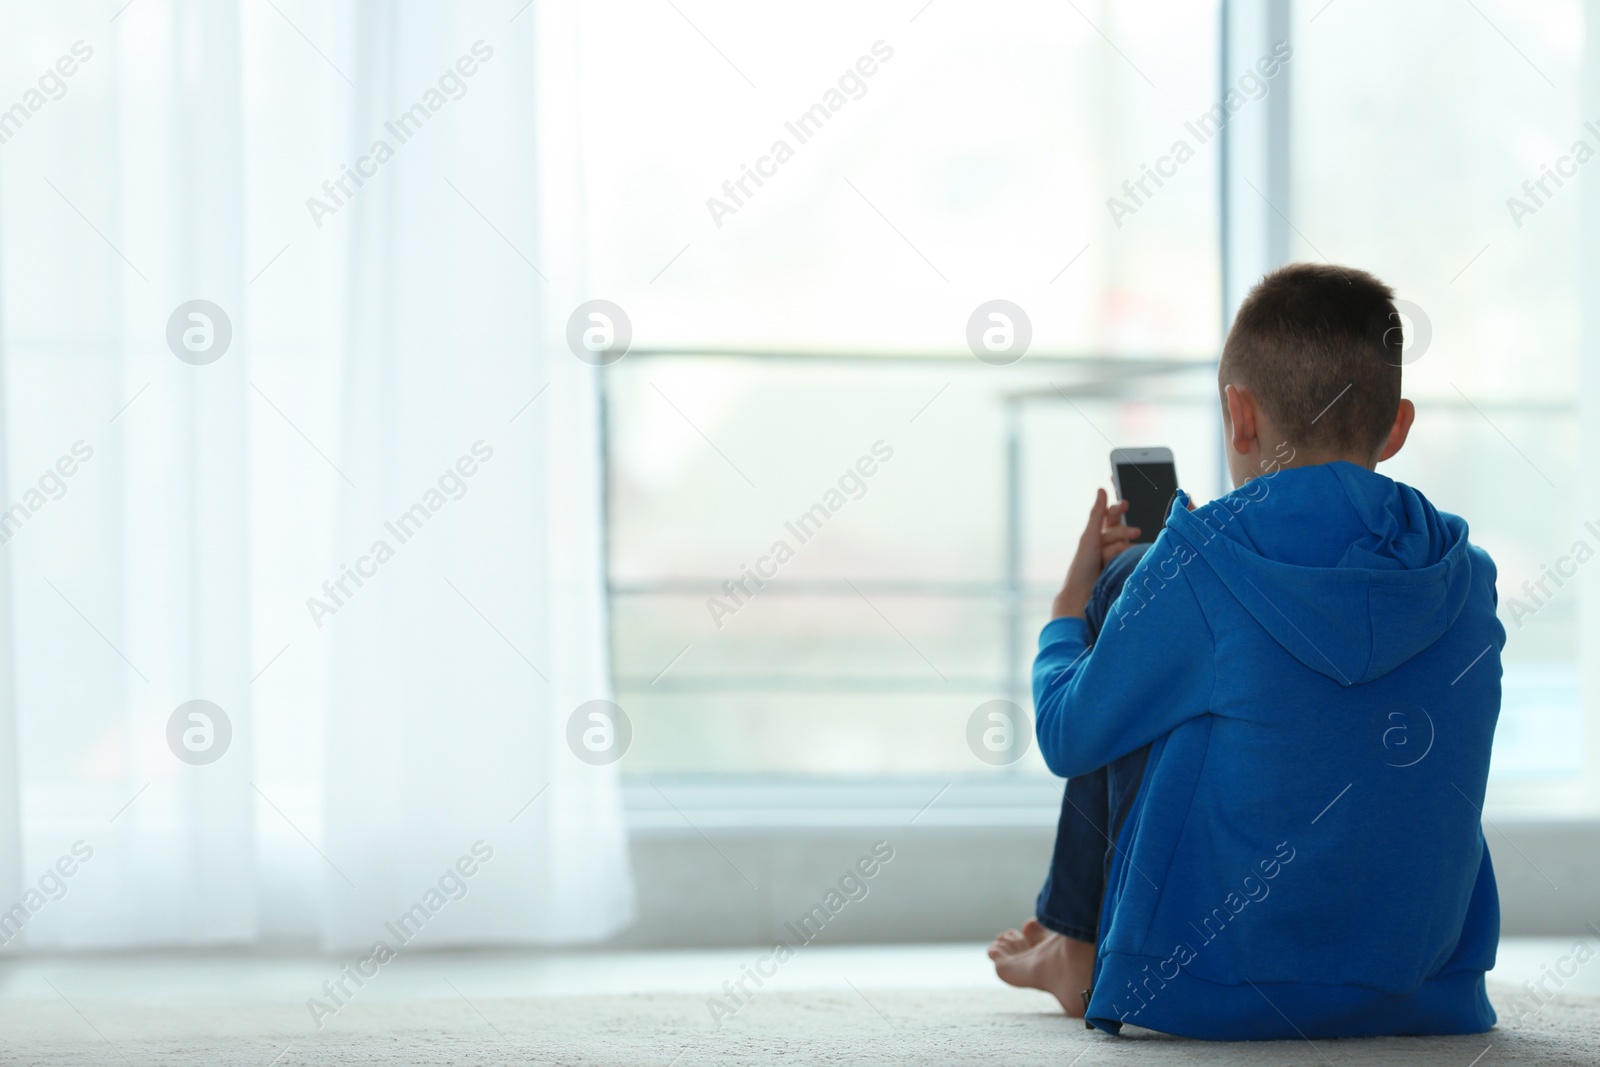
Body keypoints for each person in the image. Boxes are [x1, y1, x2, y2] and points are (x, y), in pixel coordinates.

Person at [990, 263, 1505, 1040]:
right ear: (1396, 426)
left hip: (1216, 982)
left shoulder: (1195, 565)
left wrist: (1067, 611)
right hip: (1425, 988)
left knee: (1129, 587)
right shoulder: (1467, 577)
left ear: (1239, 416)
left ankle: (1079, 941)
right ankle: (1073, 939)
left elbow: (1067, 737)